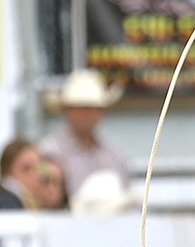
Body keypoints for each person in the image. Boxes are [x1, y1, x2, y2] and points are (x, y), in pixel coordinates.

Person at [39, 69, 131, 202]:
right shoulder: (48, 150)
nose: (87, 114)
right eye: (80, 108)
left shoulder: (113, 152)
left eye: (93, 107)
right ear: (66, 110)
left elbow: (127, 194)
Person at [0, 138, 44, 210]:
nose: (35, 175)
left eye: (38, 168)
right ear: (8, 170)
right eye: (26, 169)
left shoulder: (27, 200)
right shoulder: (7, 204)